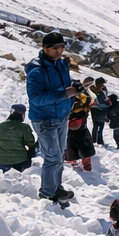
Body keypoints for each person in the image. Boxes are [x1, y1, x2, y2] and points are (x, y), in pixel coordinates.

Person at [25, 32, 77, 204]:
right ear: (45, 48)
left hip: (61, 115)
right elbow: (36, 98)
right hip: (45, 119)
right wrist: (64, 94)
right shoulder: (37, 71)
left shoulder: (61, 64)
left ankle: (56, 187)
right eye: (55, 48)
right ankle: (47, 193)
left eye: (61, 47)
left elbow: (64, 87)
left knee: (59, 155)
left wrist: (75, 89)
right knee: (52, 157)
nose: (59, 51)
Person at [0, 103, 38, 172]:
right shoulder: (24, 127)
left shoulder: (0, 126)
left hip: (0, 160)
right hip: (19, 161)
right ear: (22, 114)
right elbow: (30, 143)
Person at [64, 79, 96, 171]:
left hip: (69, 124)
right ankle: (86, 162)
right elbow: (92, 101)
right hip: (81, 124)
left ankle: (72, 160)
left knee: (70, 143)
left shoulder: (68, 97)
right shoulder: (85, 97)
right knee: (85, 143)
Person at [89, 79, 109, 145]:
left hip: (100, 109)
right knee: (98, 125)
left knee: (98, 126)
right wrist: (107, 104)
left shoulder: (102, 90)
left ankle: (95, 139)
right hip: (97, 109)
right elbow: (99, 101)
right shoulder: (93, 90)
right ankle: (97, 141)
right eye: (101, 84)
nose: (102, 86)